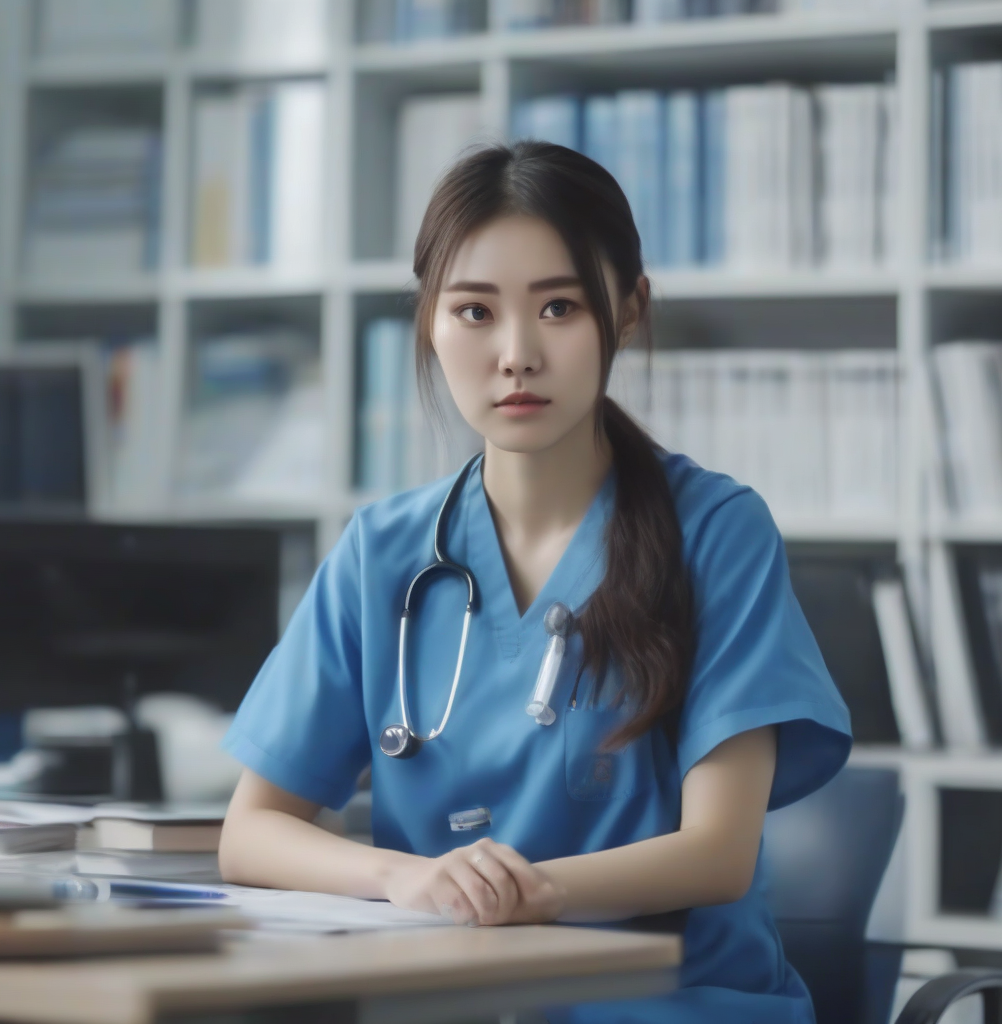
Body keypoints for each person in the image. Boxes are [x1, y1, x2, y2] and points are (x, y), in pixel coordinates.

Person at [218, 141, 852, 1023]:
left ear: (628, 312)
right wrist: (412, 879)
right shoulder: (384, 551)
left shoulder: (715, 531)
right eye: (474, 312)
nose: (516, 354)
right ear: (429, 326)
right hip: (453, 998)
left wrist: (523, 892)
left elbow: (718, 852)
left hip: (668, 1006)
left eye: (558, 307)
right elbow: (250, 832)